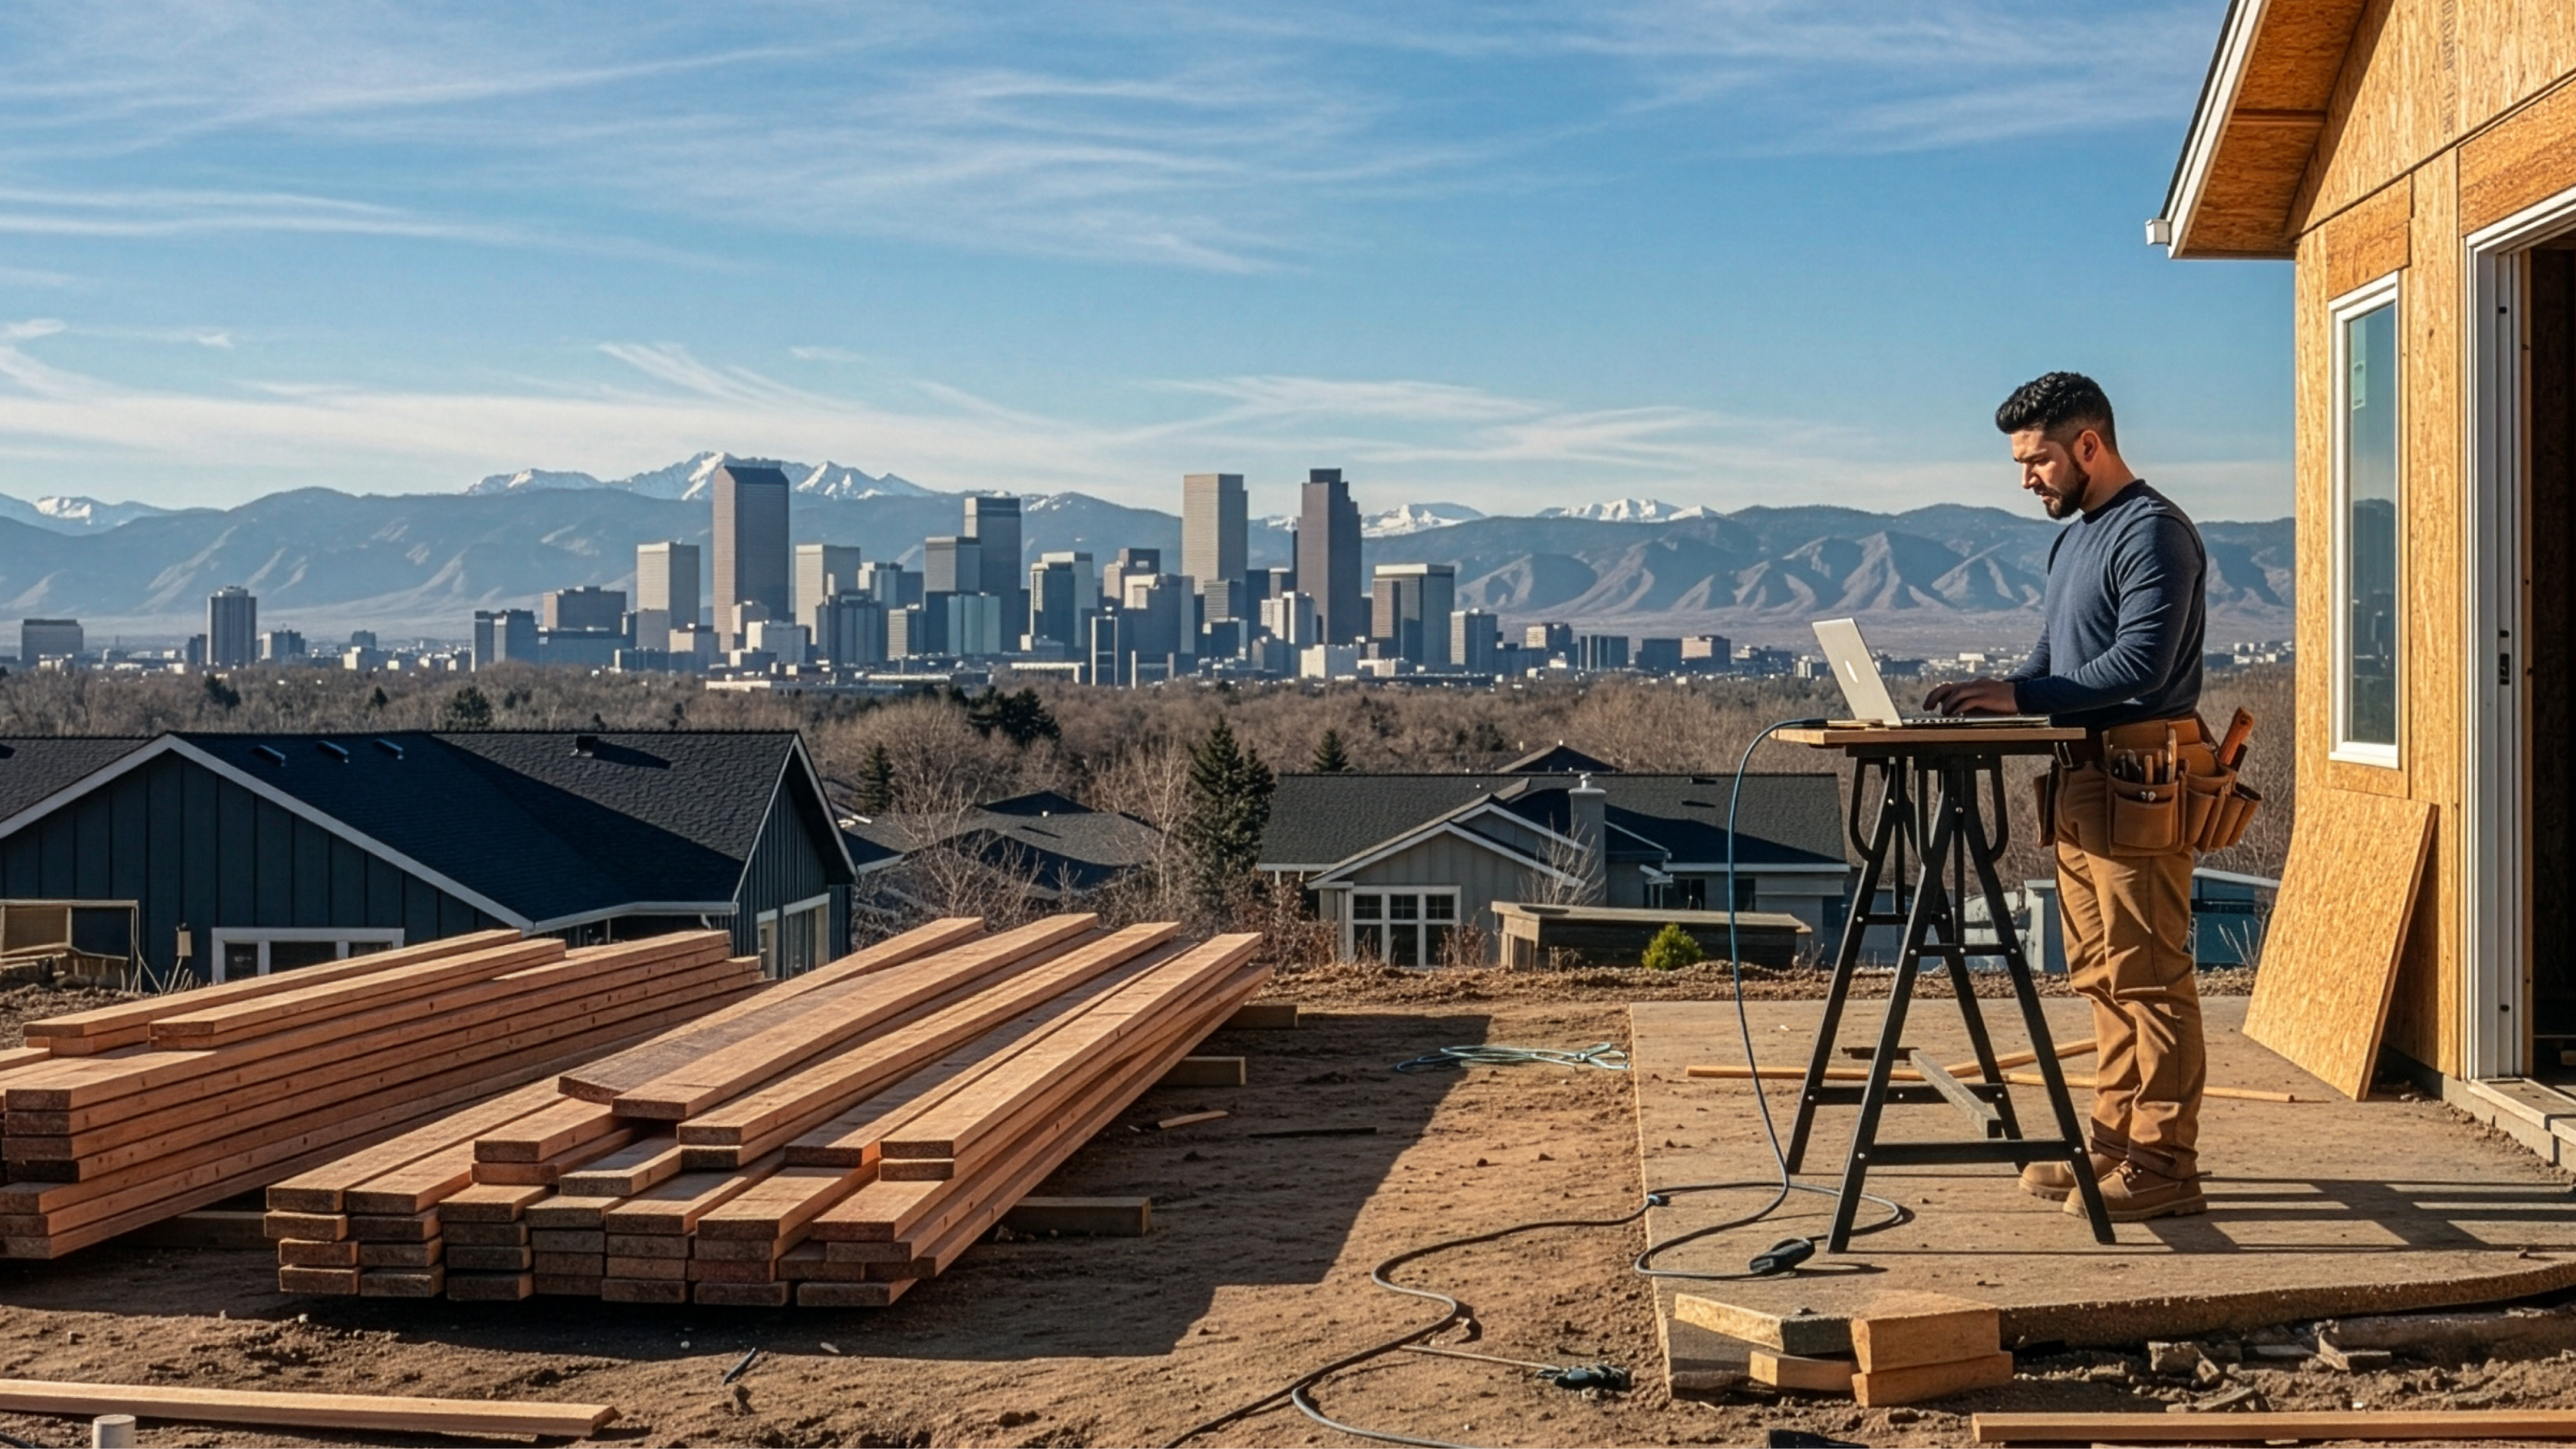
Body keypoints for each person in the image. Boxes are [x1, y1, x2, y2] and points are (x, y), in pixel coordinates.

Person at [1924, 371, 2210, 1223]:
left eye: (2039, 459)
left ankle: (2165, 1163)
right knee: (2101, 975)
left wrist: (2017, 698)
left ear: (2090, 444)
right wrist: (1996, 689)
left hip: (2141, 775)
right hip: (2084, 779)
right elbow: (2054, 667)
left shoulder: (2153, 533)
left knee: (2150, 975)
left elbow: (2140, 668)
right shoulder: (2076, 539)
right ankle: (2115, 1143)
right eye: (2021, 463)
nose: (2028, 479)